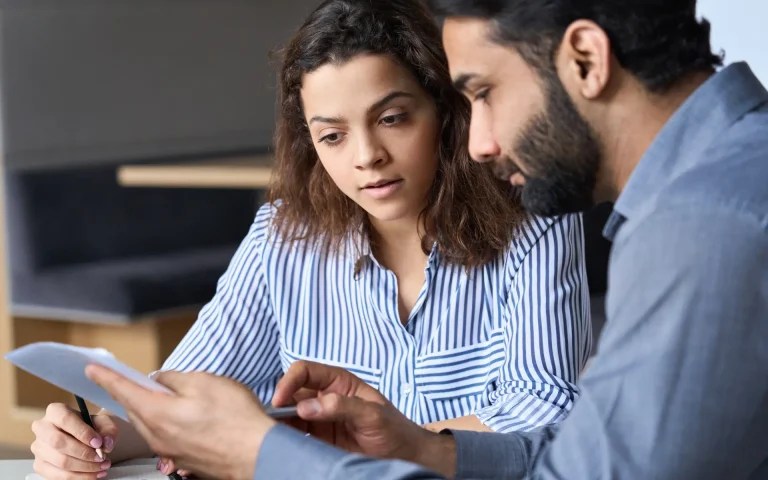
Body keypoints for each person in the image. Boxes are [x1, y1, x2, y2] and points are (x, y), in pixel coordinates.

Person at [82, 0, 768, 478]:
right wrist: (426, 449)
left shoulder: (705, 226)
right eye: (331, 133)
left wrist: (265, 453)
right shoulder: (712, 196)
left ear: (586, 58)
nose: (480, 141)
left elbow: (574, 452)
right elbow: (586, 457)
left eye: (485, 92)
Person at [29, 1, 593, 479]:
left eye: (393, 118)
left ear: (445, 113)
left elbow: (546, 413)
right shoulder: (282, 235)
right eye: (332, 135)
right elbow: (188, 395)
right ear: (311, 143)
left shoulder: (535, 219)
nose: (366, 156)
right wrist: (95, 440)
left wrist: (362, 451)